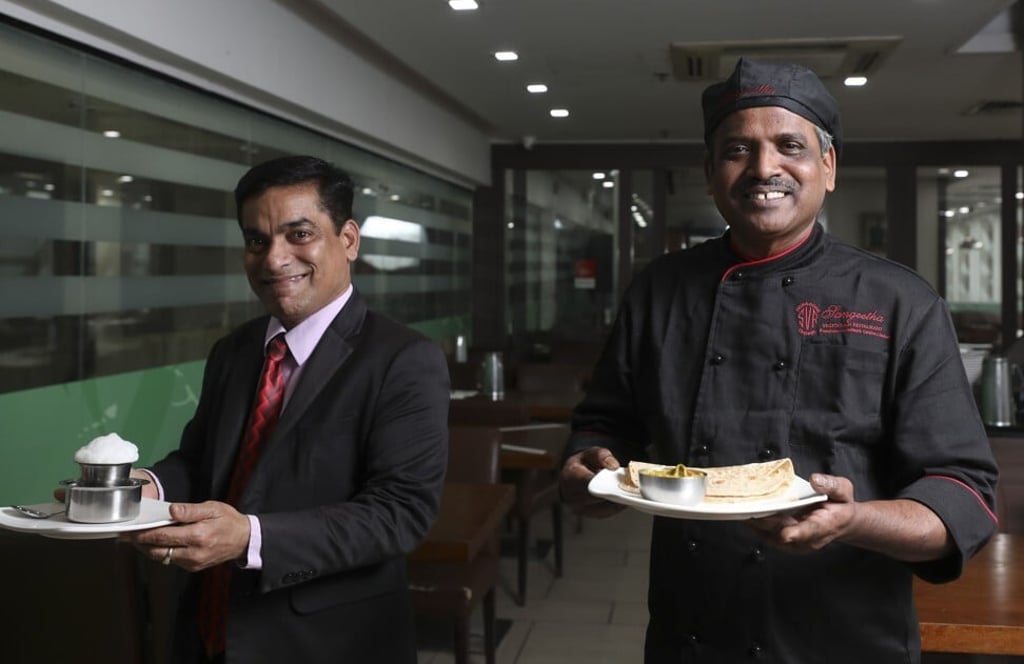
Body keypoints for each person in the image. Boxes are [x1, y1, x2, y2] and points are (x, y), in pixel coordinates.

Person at [558, 58, 999, 663]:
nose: (764, 168)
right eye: (738, 148)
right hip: (693, 630)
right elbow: (605, 423)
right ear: (712, 173)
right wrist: (586, 466)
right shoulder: (658, 290)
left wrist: (854, 520)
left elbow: (963, 492)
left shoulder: (900, 301)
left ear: (829, 166)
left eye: (789, 145)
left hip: (844, 637)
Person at [124, 155, 450, 663]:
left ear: (348, 240)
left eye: (299, 235)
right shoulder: (234, 350)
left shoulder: (405, 359)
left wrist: (250, 537)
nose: (274, 259)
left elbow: (399, 514)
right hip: (208, 628)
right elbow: (200, 461)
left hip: (327, 643)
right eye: (257, 240)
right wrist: (145, 486)